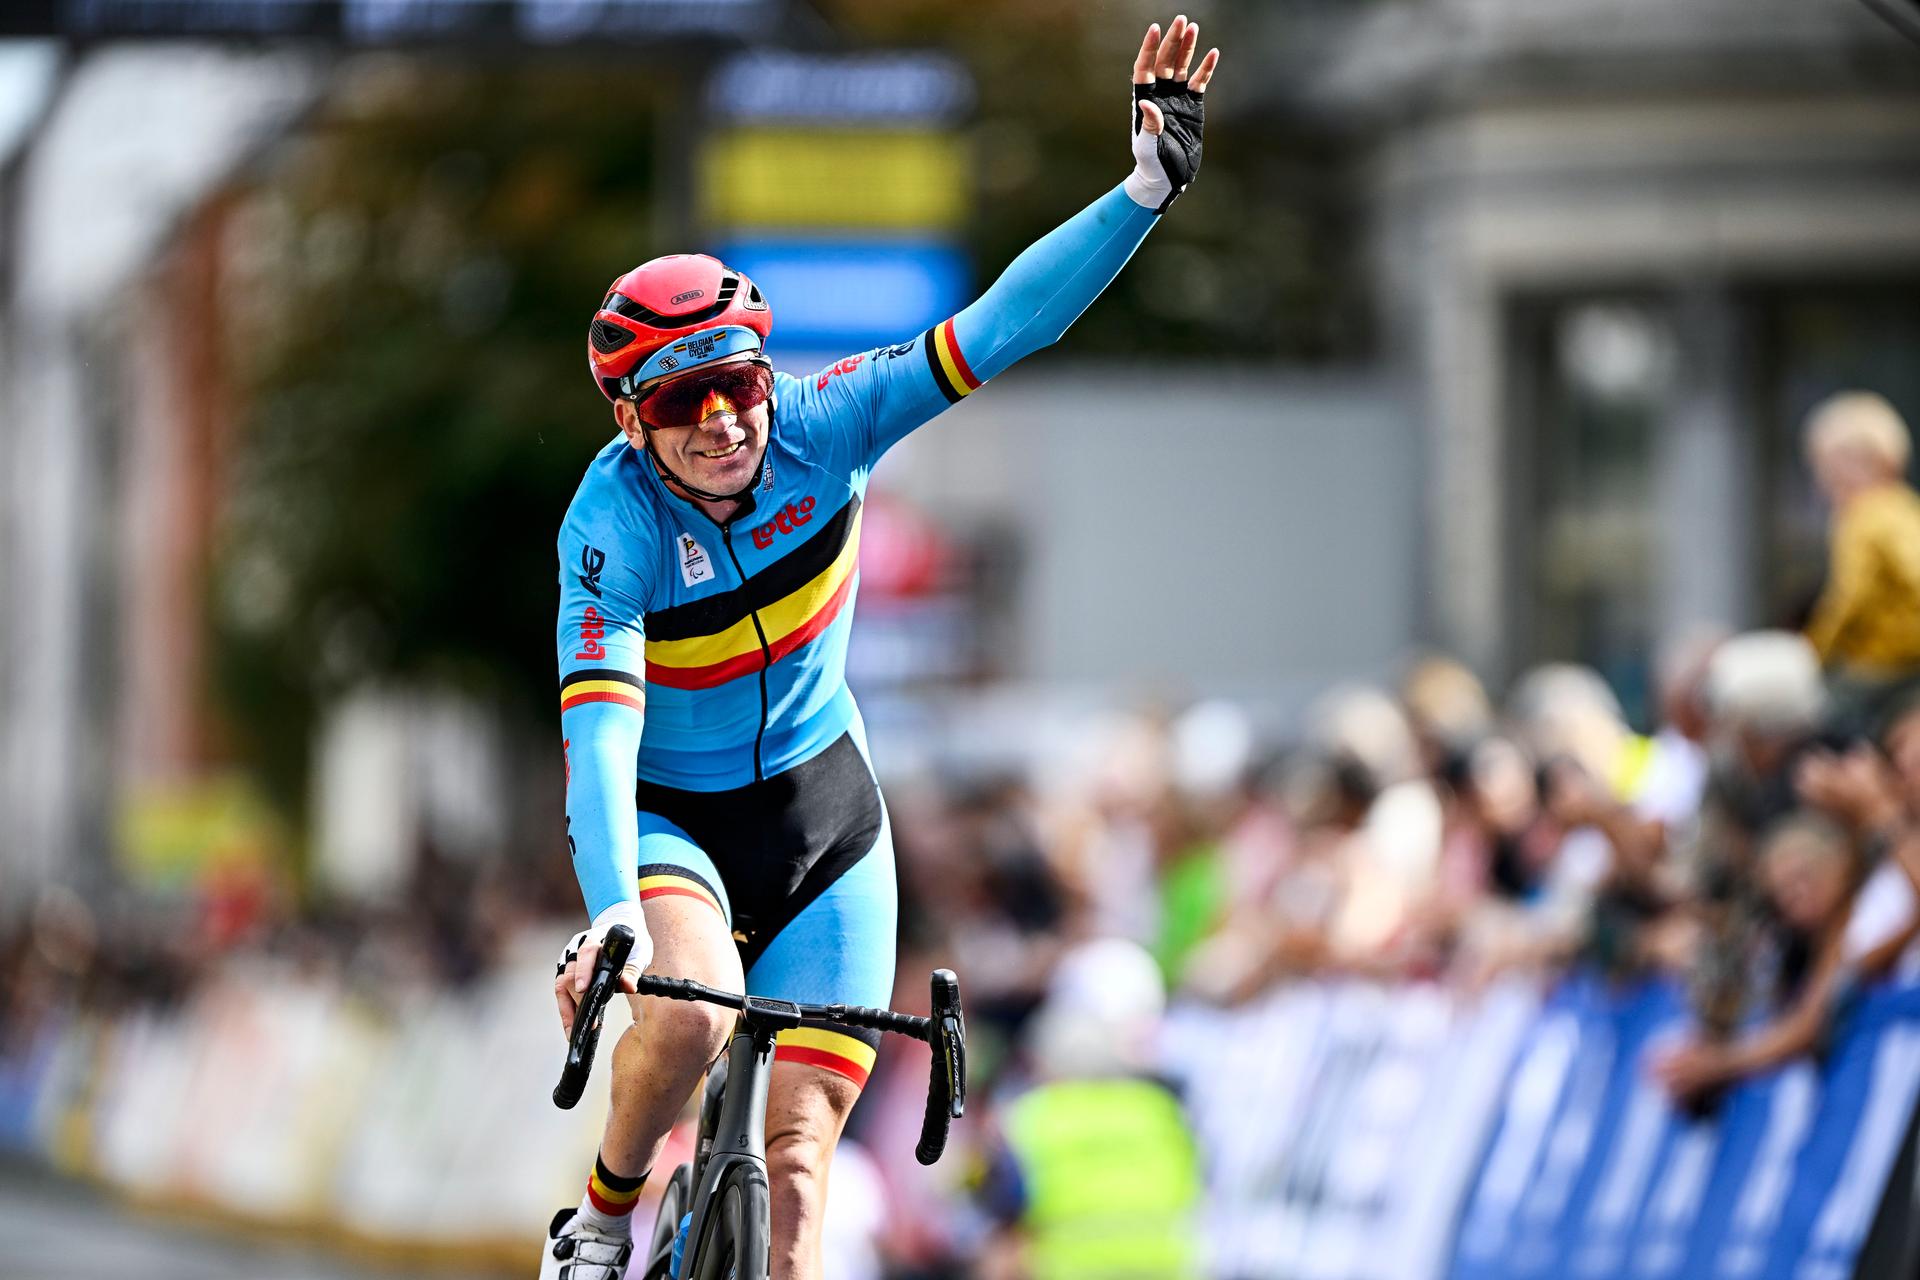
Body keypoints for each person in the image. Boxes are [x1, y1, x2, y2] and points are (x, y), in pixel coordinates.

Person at [539, 19, 1223, 1280]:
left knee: (801, 1175)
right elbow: (603, 727)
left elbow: (1003, 325)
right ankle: (603, 1206)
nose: (725, 420)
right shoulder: (610, 524)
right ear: (634, 420)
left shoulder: (827, 423)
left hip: (823, 806)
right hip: (674, 814)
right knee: (685, 1015)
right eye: (684, 403)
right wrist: (615, 918)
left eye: (737, 382)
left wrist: (1141, 192)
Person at [1802, 391, 1920, 737]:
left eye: (1825, 466)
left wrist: (1813, 651)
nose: (1822, 482)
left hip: (1883, 664)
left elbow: (1848, 599)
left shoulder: (1860, 518)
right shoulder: (1905, 507)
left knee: (1820, 725)